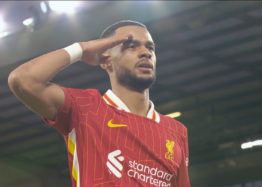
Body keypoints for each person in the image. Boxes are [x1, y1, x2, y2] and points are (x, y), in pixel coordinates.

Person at [8, 20, 190, 187]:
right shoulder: (84, 108)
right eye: (131, 46)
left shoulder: (176, 131)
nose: (145, 53)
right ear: (106, 60)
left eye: (150, 47)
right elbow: (23, 80)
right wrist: (82, 48)